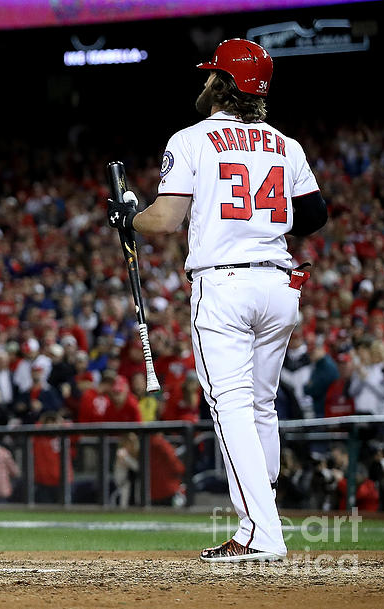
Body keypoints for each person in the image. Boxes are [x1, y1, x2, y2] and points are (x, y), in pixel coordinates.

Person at [108, 39, 327, 562]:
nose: (203, 83)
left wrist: (126, 217)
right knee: (261, 408)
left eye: (211, 76)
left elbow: (164, 220)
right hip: (278, 284)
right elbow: (315, 216)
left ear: (223, 85)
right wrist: (259, 226)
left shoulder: (191, 139)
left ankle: (261, 532)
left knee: (231, 409)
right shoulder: (286, 144)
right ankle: (264, 520)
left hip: (225, 287)